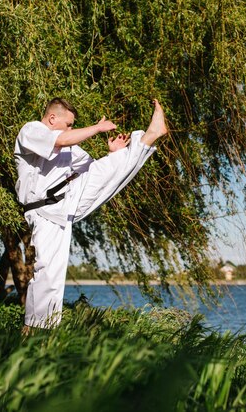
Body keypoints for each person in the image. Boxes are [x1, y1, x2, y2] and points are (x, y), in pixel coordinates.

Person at [14, 98, 168, 329]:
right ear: (52, 118)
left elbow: (91, 168)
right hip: (44, 210)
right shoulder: (32, 130)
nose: (71, 129)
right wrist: (97, 128)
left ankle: (150, 136)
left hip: (68, 200)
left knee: (109, 170)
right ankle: (36, 330)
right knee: (48, 273)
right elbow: (62, 139)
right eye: (69, 124)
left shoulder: (69, 145)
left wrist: (113, 153)